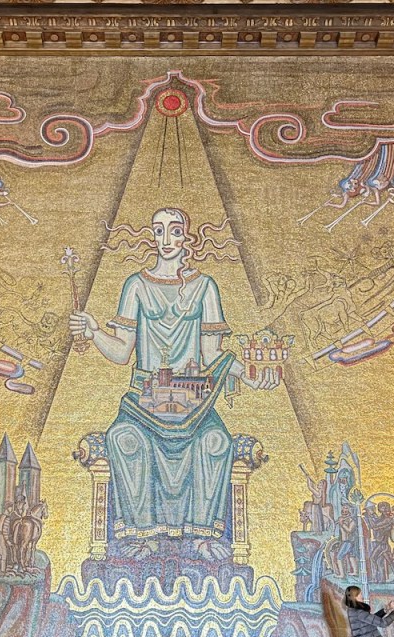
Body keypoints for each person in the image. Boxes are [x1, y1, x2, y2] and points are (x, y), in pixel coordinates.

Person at [68, 208, 278, 561]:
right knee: (123, 438)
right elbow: (121, 353)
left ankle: (201, 536)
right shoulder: (136, 285)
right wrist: (93, 331)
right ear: (152, 235)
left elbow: (213, 353)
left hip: (193, 402)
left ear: (188, 237)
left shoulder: (204, 287)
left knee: (215, 442)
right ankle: (142, 536)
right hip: (143, 402)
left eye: (175, 231)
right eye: (159, 231)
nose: (166, 239)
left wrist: (249, 375)